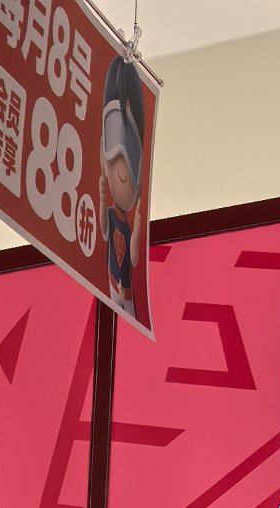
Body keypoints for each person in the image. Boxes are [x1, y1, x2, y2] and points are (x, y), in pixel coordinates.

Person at [101, 54, 148, 322]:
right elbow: (103, 231)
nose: (122, 172)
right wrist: (101, 198)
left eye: (130, 147)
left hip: (126, 294)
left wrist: (138, 227)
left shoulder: (129, 228)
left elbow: (134, 257)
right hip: (110, 285)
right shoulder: (110, 215)